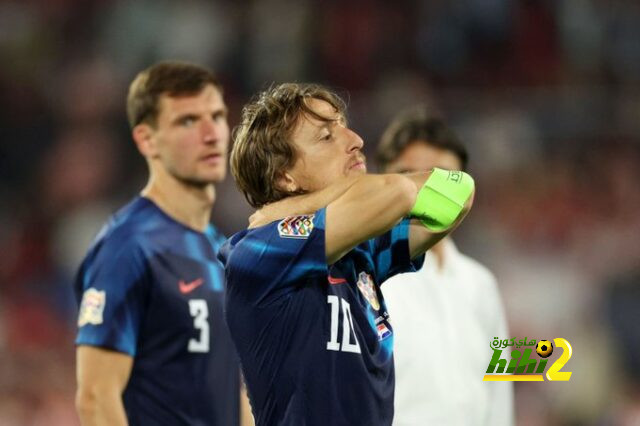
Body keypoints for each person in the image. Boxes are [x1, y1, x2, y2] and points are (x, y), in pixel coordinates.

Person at [219, 83, 475, 425]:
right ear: (285, 175)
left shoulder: (360, 251)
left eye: (343, 125)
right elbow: (398, 191)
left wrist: (296, 204)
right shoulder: (259, 254)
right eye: (327, 136)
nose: (355, 139)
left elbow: (459, 192)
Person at [74, 61, 250, 426]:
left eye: (217, 116)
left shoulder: (219, 248)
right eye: (187, 121)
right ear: (146, 139)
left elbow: (232, 388)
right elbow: (95, 398)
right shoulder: (129, 245)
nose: (211, 133)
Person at [376, 107, 513, 425]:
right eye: (409, 174)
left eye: (441, 177)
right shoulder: (359, 274)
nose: (425, 189)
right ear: (382, 181)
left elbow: (499, 392)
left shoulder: (481, 284)